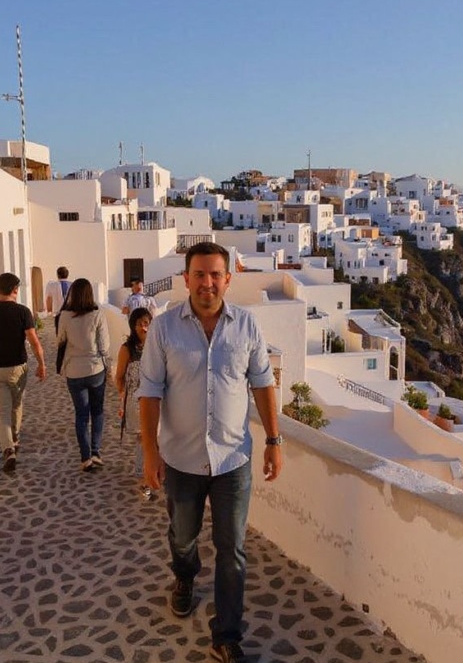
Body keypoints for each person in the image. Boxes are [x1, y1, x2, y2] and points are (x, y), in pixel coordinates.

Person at [137, 241, 282, 663]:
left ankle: (227, 634)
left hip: (233, 460)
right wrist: (150, 454)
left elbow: (262, 384)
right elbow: (149, 393)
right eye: (199, 274)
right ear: (186, 279)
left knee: (232, 548)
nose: (207, 282)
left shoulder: (247, 326)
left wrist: (274, 441)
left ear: (228, 280)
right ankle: (184, 578)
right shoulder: (164, 329)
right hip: (181, 460)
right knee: (182, 538)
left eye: (215, 274)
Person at [0, 272, 47, 474]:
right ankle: (14, 440)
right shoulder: (23, 312)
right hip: (18, 368)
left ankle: (8, 448)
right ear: (15, 290)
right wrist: (42, 363)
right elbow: (34, 341)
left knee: (1, 411)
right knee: (16, 405)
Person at [57, 278, 111, 472]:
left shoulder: (64, 316)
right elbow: (104, 346)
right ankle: (96, 452)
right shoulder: (98, 314)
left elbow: (60, 340)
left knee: (81, 414)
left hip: (74, 370)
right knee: (97, 411)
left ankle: (85, 458)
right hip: (95, 369)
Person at [114, 307, 154, 500]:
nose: (143, 327)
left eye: (146, 323)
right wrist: (123, 399)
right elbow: (119, 377)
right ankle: (144, 477)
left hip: (156, 401)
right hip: (135, 402)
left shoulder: (157, 347)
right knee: (143, 439)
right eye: (139, 324)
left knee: (155, 439)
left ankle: (152, 474)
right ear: (133, 326)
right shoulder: (127, 349)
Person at [44, 265, 71, 331]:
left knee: (59, 332)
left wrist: (49, 312)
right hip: (70, 313)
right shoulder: (72, 285)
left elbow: (49, 299)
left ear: (57, 275)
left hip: (57, 314)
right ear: (67, 274)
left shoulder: (51, 285)